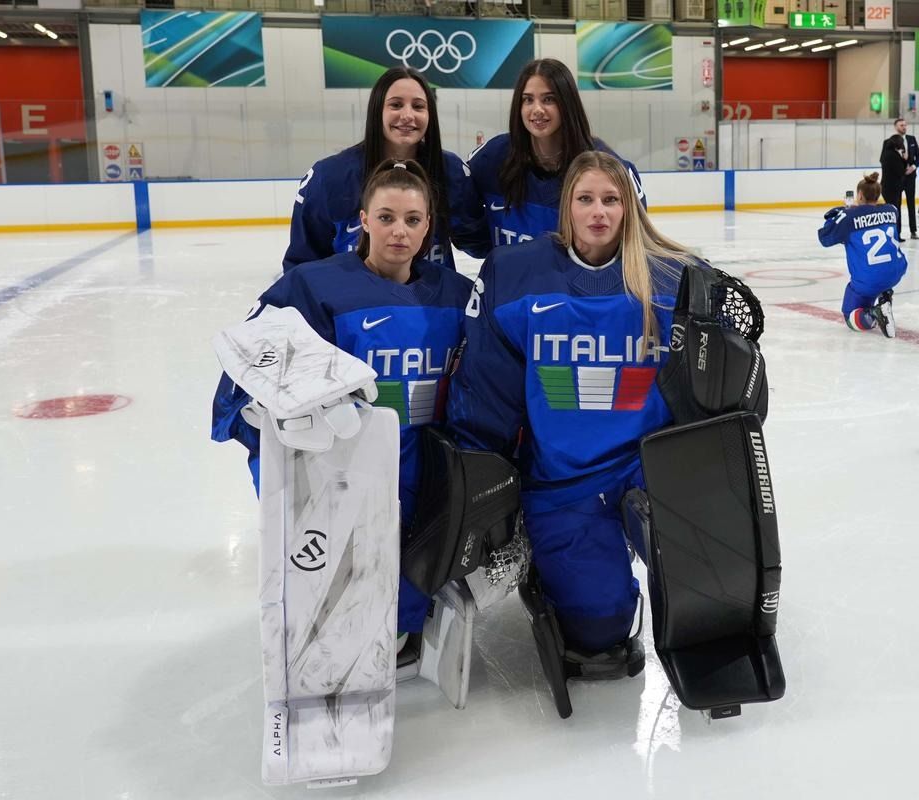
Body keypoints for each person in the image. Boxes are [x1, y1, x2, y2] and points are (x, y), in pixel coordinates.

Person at [446, 150, 702, 668]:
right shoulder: (517, 274)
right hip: (564, 481)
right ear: (567, 207)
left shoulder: (677, 278)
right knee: (599, 631)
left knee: (703, 582)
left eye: (611, 199)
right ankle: (558, 566)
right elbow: (488, 390)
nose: (598, 212)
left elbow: (714, 383)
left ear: (629, 207)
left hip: (651, 469)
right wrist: (487, 486)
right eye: (585, 199)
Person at [213, 159, 474, 644]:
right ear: (364, 220)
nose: (399, 231)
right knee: (344, 601)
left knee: (402, 599)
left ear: (428, 227)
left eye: (412, 219)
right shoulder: (312, 285)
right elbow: (250, 366)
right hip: (340, 469)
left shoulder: (457, 295)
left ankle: (400, 625)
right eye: (386, 217)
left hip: (426, 471)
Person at [283, 67, 487, 272]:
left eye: (418, 106)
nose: (407, 115)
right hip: (355, 294)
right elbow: (302, 266)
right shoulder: (329, 177)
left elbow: (478, 242)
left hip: (431, 293)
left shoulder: (451, 171)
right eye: (396, 105)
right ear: (377, 110)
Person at [468, 58, 645, 249]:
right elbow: (468, 230)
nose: (537, 109)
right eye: (528, 100)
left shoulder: (606, 166)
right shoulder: (492, 157)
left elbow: (634, 242)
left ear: (567, 103)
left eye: (548, 99)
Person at [817, 172, 907, 337]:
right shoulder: (892, 210)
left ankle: (875, 313)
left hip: (869, 279)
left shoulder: (848, 217)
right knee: (881, 276)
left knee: (850, 316)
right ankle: (885, 294)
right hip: (896, 272)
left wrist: (836, 216)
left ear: (859, 195)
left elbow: (825, 238)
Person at [894, 118, 919, 238]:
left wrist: (913, 167)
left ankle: (913, 231)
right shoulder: (892, 141)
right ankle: (898, 232)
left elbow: (918, 156)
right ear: (896, 127)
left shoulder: (911, 139)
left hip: (910, 177)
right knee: (897, 204)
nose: (904, 127)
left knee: (911, 203)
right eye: (901, 125)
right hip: (898, 177)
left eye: (905, 125)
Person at [879, 133, 908, 241]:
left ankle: (894, 234)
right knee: (895, 211)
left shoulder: (885, 154)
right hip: (893, 188)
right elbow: (900, 171)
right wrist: (904, 160)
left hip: (887, 187)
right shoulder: (894, 155)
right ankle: (895, 235)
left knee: (892, 211)